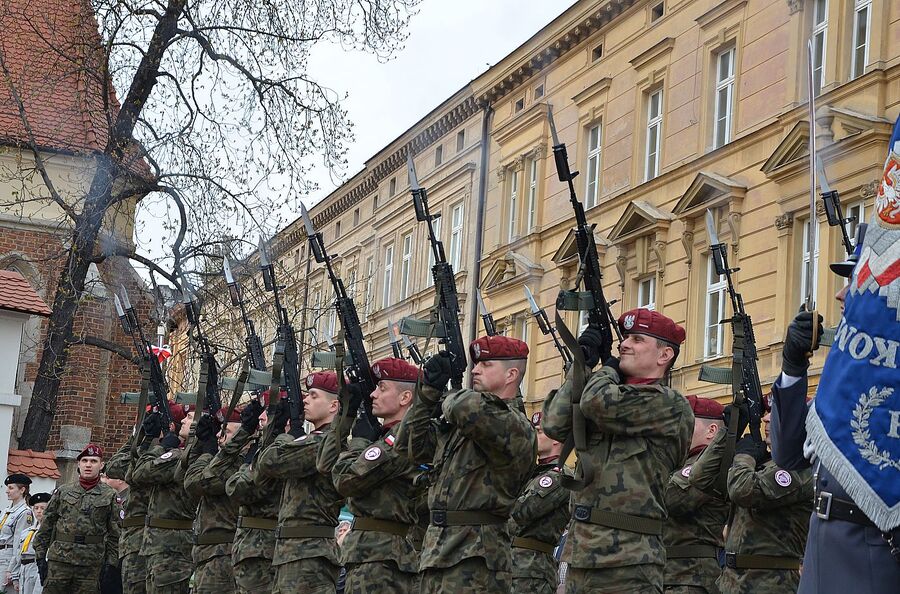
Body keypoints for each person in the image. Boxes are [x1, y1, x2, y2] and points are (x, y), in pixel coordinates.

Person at [770, 219, 900, 593]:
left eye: (857, 281)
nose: (843, 295)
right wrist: (794, 366)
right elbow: (788, 453)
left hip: (874, 558)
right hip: (822, 553)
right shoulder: (846, 372)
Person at [543, 309, 694, 593]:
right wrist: (582, 364)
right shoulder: (603, 390)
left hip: (630, 560)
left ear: (664, 356)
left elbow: (598, 403)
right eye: (624, 338)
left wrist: (607, 369)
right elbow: (554, 424)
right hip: (581, 553)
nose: (624, 344)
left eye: (637, 339)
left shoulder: (670, 405)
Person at [396, 335, 537, 593]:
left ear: (511, 374)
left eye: (486, 364)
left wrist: (448, 394)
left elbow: (463, 405)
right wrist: (427, 392)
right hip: (437, 551)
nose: (475, 370)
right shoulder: (463, 427)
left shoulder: (512, 423)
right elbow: (408, 446)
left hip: (476, 557)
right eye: (474, 364)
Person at [689, 399, 813, 594]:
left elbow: (743, 491)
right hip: (731, 581)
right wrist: (730, 433)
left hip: (770, 583)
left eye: (776, 412)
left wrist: (744, 456)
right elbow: (700, 478)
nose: (765, 419)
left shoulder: (800, 467)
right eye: (766, 413)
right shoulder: (762, 463)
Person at [326, 357, 424, 594]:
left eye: (382, 388)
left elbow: (345, 480)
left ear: (405, 398)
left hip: (382, 559)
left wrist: (359, 442)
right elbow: (326, 463)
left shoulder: (401, 439)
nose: (373, 394)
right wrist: (348, 417)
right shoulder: (384, 437)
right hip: (368, 554)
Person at [253, 371, 344, 594]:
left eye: (314, 395)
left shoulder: (325, 443)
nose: (305, 399)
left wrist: (285, 434)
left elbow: (268, 462)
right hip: (293, 551)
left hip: (310, 553)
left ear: (334, 406)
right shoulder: (310, 440)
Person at [127, 402, 198, 594]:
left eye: (189, 418)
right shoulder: (177, 453)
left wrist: (158, 446)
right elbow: (129, 473)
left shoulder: (180, 456)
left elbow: (139, 474)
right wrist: (147, 439)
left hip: (170, 546)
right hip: (156, 543)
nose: (184, 420)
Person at [663, 396, 729, 594]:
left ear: (712, 431)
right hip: (669, 573)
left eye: (686, 422)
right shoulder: (681, 461)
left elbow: (672, 500)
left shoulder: (712, 465)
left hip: (692, 577)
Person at [33, 444, 119, 594]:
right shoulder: (63, 491)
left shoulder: (110, 495)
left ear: (101, 465)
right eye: (84, 460)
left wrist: (111, 565)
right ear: (78, 464)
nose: (88, 465)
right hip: (59, 562)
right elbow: (46, 526)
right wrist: (40, 558)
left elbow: (115, 534)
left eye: (93, 461)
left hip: (91, 565)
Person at [221, 394, 281, 594]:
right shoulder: (262, 452)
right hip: (246, 550)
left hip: (262, 551)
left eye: (268, 412)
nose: (261, 417)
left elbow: (235, 488)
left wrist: (248, 461)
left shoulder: (275, 454)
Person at [508, 411, 571, 594]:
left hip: (531, 571)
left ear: (556, 439)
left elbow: (520, 512)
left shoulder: (559, 477)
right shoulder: (534, 473)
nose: (533, 437)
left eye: (539, 432)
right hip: (514, 565)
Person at [182, 407, 243, 593]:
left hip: (223, 553)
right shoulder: (219, 463)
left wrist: (208, 452)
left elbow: (194, 483)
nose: (219, 436)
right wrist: (200, 445)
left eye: (227, 432)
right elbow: (182, 474)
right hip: (207, 552)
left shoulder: (237, 464)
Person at [105, 432, 149, 594]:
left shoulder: (153, 456)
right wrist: (136, 437)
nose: (106, 477)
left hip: (139, 547)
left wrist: (145, 442)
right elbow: (112, 465)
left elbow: (114, 466)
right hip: (122, 550)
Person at [1, 474, 33, 593]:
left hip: (7, 559)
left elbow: (19, 543)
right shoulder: (6, 511)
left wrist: (12, 570)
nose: (7, 491)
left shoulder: (25, 513)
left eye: (11, 488)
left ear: (22, 490)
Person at [13, 492, 49, 594]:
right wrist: (15, 575)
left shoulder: (50, 532)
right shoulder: (27, 532)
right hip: (24, 571)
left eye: (43, 508)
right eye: (36, 508)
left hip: (37, 569)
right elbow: (19, 554)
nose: (39, 511)